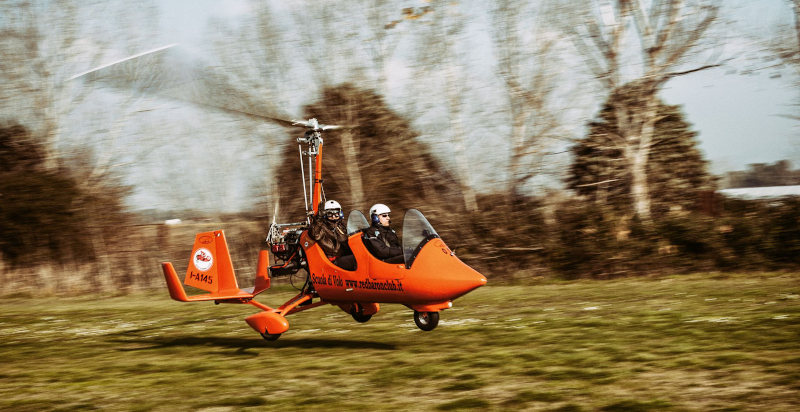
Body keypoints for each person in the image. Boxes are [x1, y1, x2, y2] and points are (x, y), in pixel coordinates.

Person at [308, 200, 356, 270]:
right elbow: (315, 235)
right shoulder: (322, 227)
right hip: (334, 260)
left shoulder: (342, 226)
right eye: (330, 214)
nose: (334, 216)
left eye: (336, 213)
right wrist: (318, 219)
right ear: (324, 214)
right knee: (355, 260)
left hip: (347, 255)